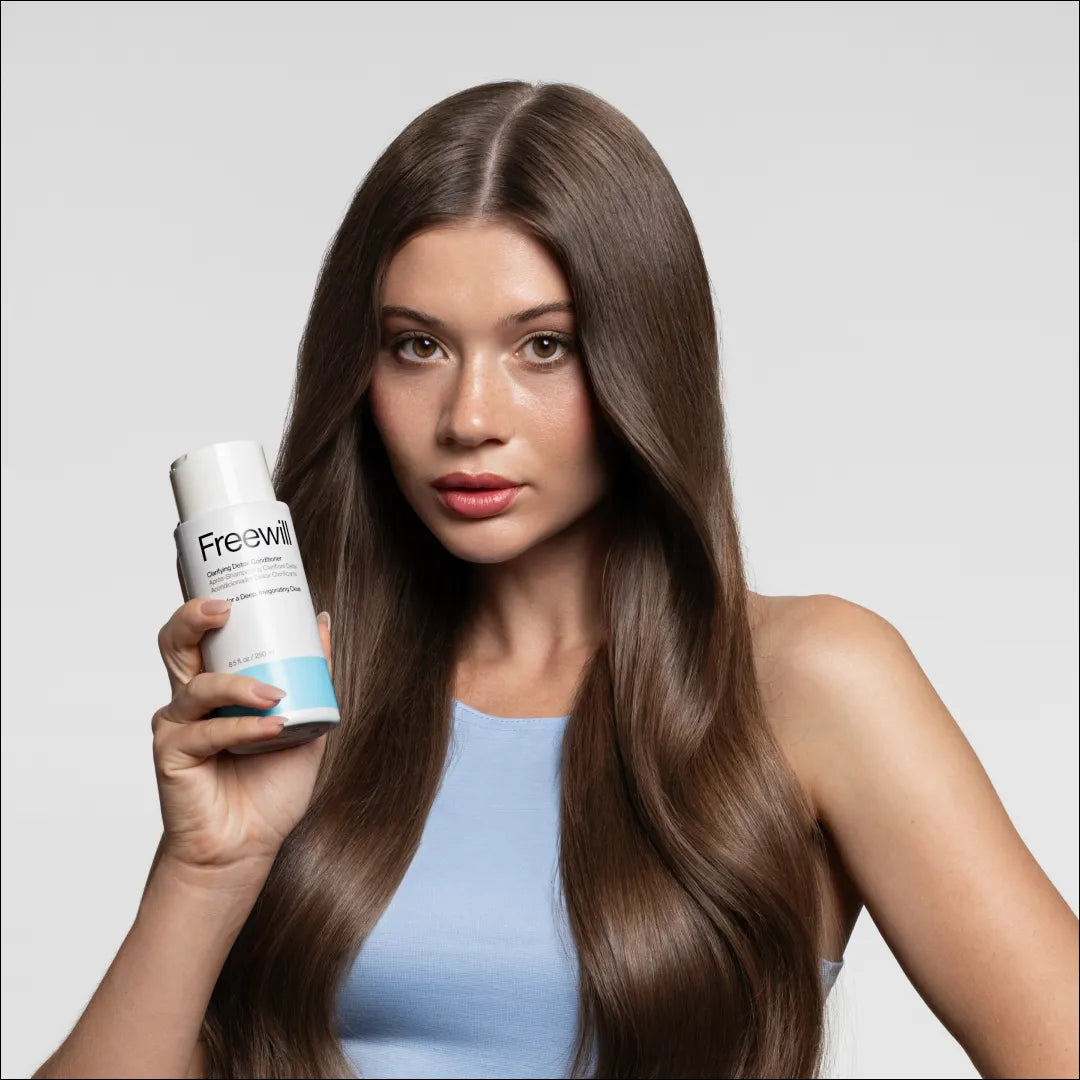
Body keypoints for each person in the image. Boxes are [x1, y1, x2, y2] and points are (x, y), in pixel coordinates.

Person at [32, 80, 1078, 1080]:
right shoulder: (304, 685)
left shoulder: (808, 682)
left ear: (641, 361)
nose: (469, 416)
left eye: (542, 346)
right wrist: (207, 870)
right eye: (416, 347)